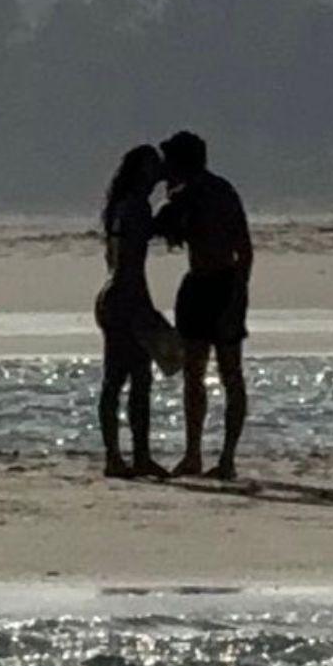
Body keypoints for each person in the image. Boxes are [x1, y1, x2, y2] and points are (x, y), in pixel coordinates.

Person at [153, 130, 252, 481]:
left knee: (229, 372)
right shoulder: (183, 197)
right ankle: (193, 453)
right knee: (193, 373)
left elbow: (244, 248)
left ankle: (226, 458)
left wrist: (238, 293)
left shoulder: (218, 192)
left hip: (222, 283)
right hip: (197, 284)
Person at [94, 144, 182, 480]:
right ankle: (131, 456)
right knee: (134, 379)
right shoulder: (137, 208)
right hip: (126, 297)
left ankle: (118, 455)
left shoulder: (119, 207)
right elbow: (133, 264)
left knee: (118, 379)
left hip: (113, 296)